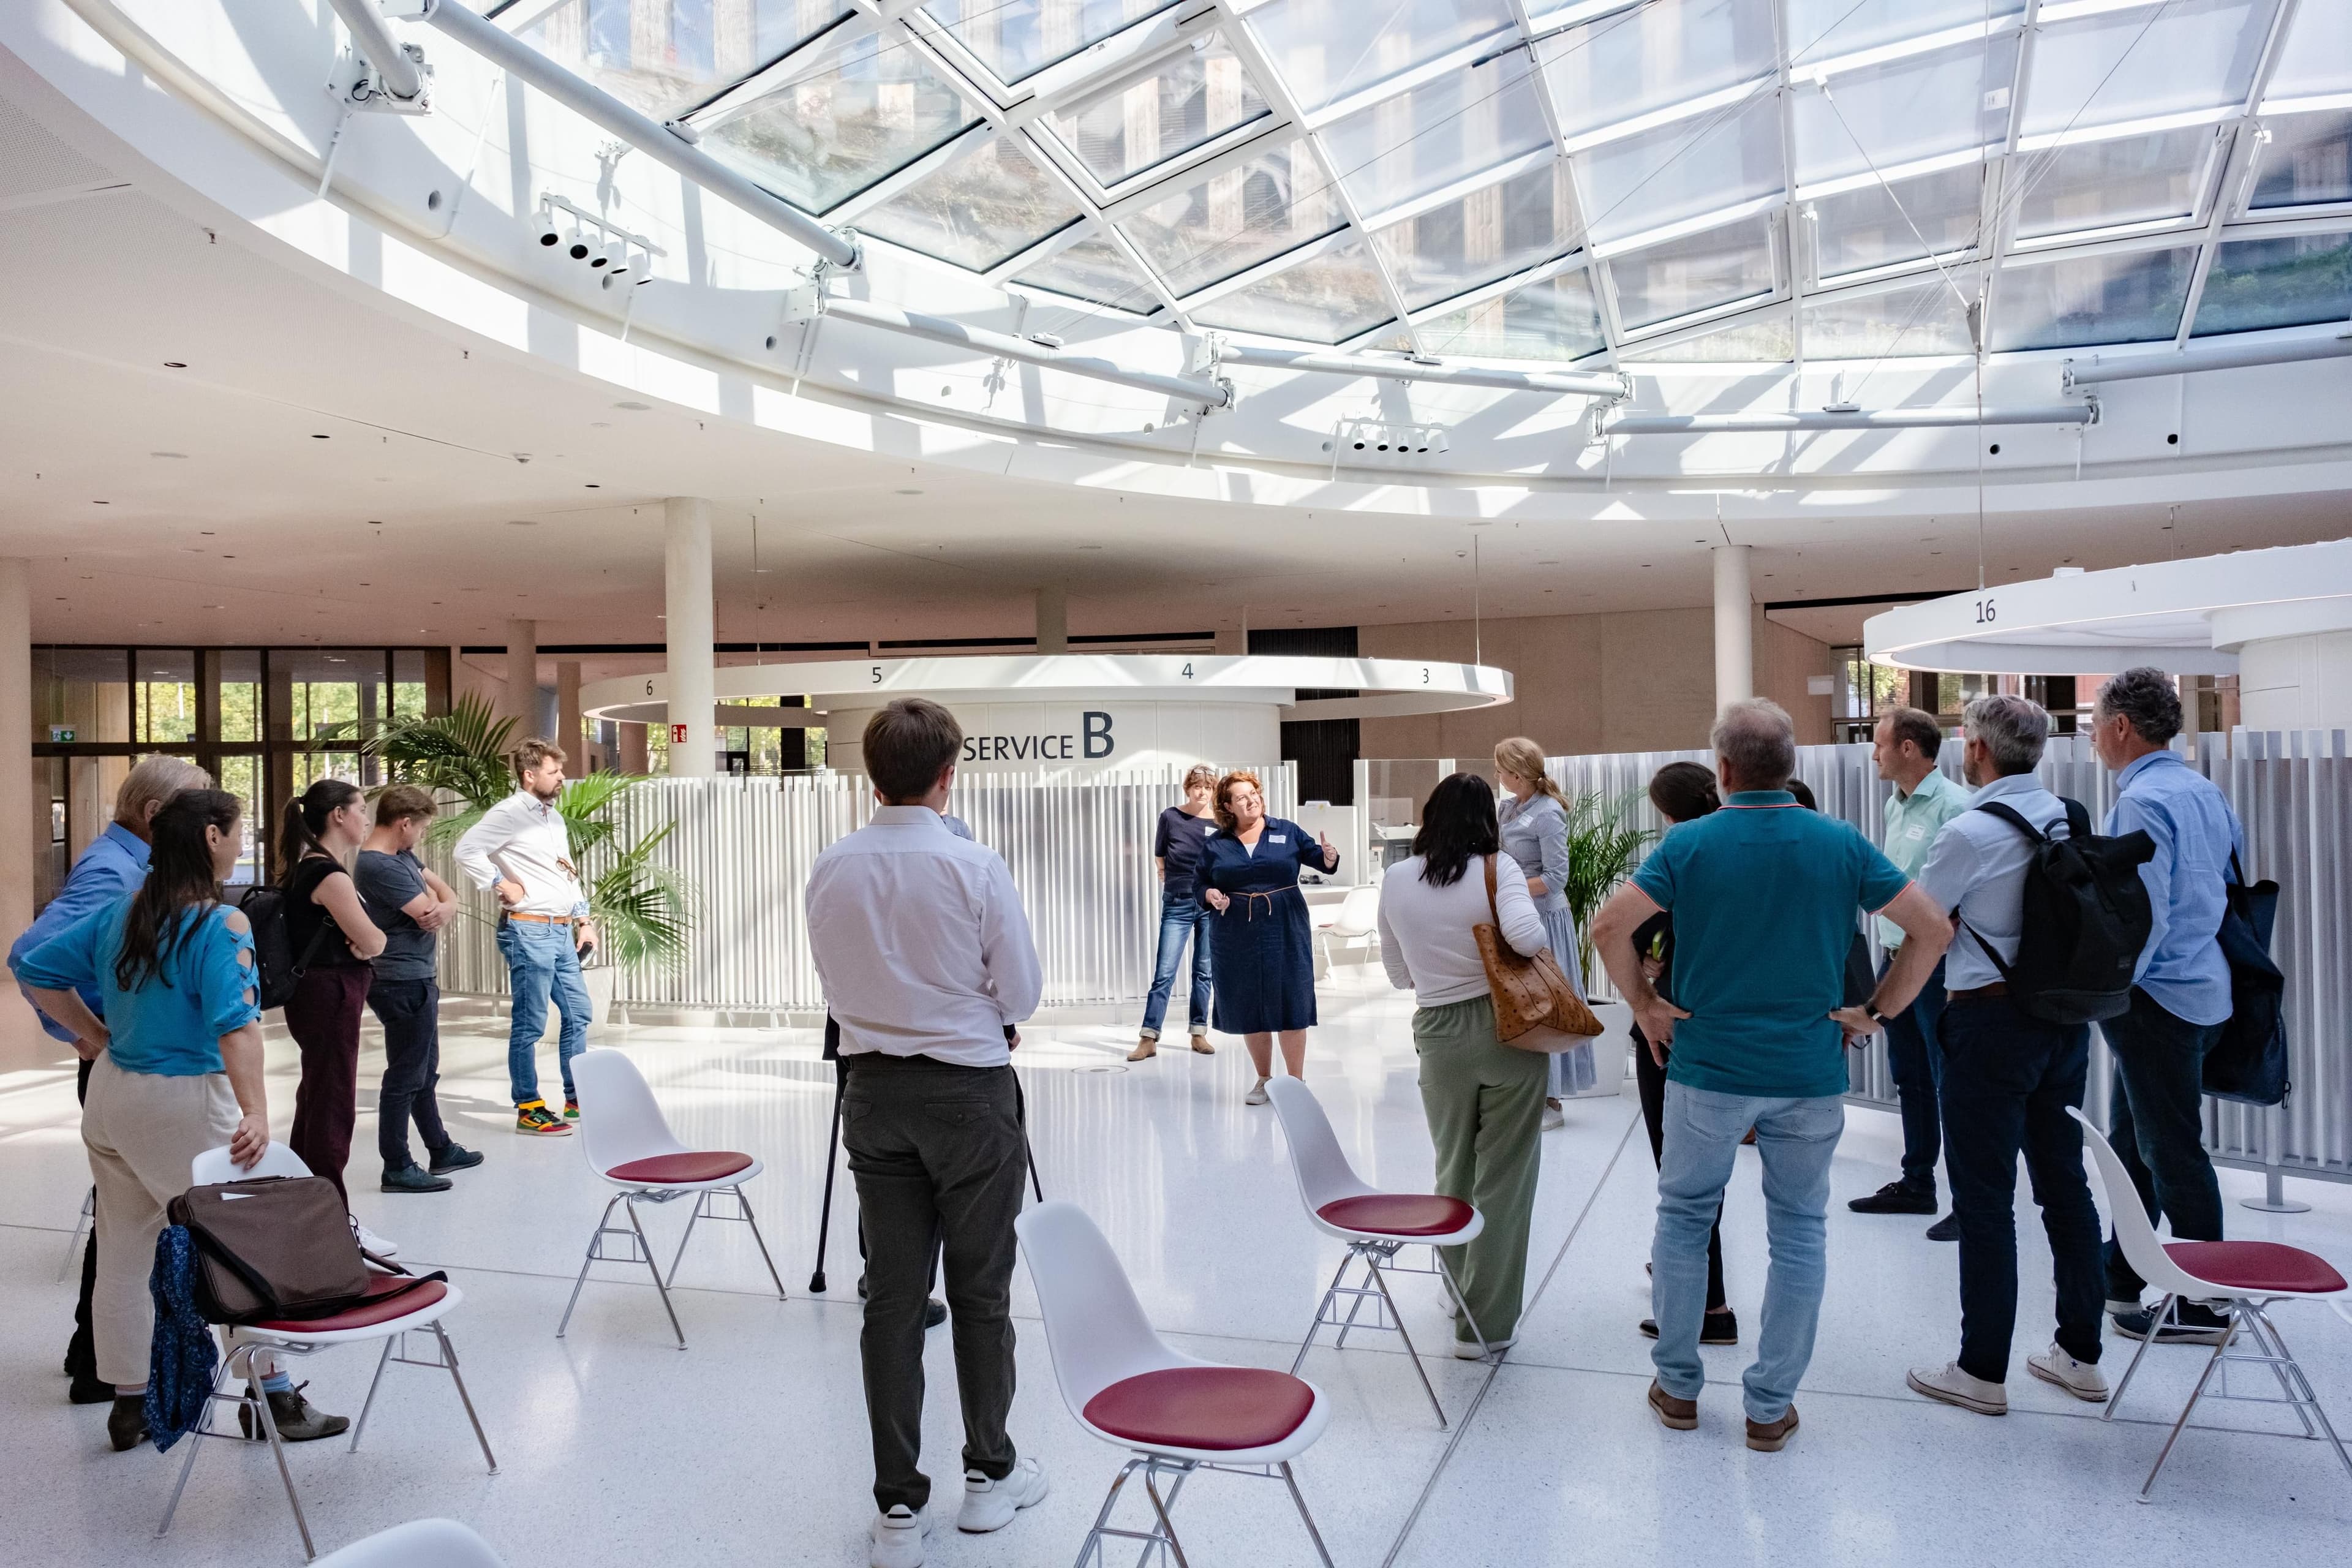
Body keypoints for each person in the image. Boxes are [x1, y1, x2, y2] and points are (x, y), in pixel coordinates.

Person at [1592, 699, 1950, 1454]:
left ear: (1723, 769)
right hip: (1808, 1073)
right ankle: (1769, 1405)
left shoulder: (1690, 845)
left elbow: (1608, 926)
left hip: (1707, 1070)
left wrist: (1648, 1005)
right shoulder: (1840, 844)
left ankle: (1679, 1388)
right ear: (1791, 767)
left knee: (1686, 1218)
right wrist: (1876, 1012)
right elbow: (1931, 929)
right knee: (1798, 1230)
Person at [20, 790, 348, 1452]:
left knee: (123, 1251)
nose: (240, 844)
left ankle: (129, 1403)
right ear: (209, 837)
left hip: (114, 1100)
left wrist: (94, 1036)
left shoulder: (125, 913)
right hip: (184, 1101)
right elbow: (238, 1029)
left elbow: (33, 965)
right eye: (235, 832)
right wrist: (255, 1109)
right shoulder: (219, 925)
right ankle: (274, 1397)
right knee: (244, 1247)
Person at [805, 698, 1048, 1568]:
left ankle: (897, 1511)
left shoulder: (830, 867)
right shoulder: (976, 866)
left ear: (872, 775)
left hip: (873, 1092)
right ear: (951, 774)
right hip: (970, 1096)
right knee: (982, 1292)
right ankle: (988, 1478)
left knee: (893, 1300)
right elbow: (1019, 995)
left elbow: (836, 982)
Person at [1904, 694, 2108, 1415]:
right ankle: (2081, 1356)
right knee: (2064, 1185)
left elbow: (1924, 928)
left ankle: (1981, 1370)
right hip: (2061, 1022)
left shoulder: (1967, 831)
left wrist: (1879, 1007)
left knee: (1986, 1199)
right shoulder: (2069, 817)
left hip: (1988, 1024)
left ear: (1976, 749)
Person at [9, 755, 211, 1408]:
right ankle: (106, 1365)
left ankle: (101, 1363)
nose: (213, 828)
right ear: (158, 815)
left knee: (124, 1226)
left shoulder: (133, 866)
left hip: (133, 1065)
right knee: (153, 1225)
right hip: (130, 1069)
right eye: (203, 811)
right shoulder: (112, 871)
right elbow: (29, 956)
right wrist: (90, 1034)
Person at [2092, 668, 2247, 1346]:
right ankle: (2120, 1279)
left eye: (2095, 723)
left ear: (2122, 726)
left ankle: (2206, 1304)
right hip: (2205, 987)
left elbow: (2141, 916)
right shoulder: (2202, 790)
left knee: (2172, 1149)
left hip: (2158, 998)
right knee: (2135, 1145)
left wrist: (2115, 986)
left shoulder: (2141, 803)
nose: (2093, 736)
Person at [1375, 773, 1549, 1358]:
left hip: (1439, 1032)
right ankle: (1485, 1326)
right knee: (1506, 1176)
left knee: (1453, 1163)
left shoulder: (1397, 878)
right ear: (1487, 821)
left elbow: (1398, 974)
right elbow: (1527, 940)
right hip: (1509, 1031)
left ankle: (1452, 1285)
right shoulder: (1497, 870)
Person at [1848, 707, 1970, 1238]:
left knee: (1950, 1082)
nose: (1873, 753)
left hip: (1937, 967)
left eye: (1879, 744)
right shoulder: (1896, 805)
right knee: (1911, 1078)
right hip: (1894, 956)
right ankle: (1918, 1183)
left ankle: (1971, 1203)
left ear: (1908, 749)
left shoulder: (1956, 806)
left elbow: (1961, 896)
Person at [1627, 761, 1737, 1347]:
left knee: (1683, 1175)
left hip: (1671, 1026)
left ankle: (1708, 1306)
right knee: (1702, 1173)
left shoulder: (1679, 852)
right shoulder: (1738, 848)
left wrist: (1644, 987)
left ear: (1667, 812)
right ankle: (1684, 1274)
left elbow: (1628, 930)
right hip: (1731, 1025)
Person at [454, 738, 597, 1137]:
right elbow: (466, 850)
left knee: (578, 1014)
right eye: (555, 772)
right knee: (531, 1022)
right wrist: (500, 882)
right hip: (529, 929)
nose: (562, 777)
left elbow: (567, 874)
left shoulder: (554, 819)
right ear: (530, 775)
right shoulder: (510, 813)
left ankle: (576, 1098)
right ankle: (528, 1107)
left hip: (560, 930)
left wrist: (584, 919)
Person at [354, 785, 481, 1195]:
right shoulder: (378, 866)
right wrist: (441, 904)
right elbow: (428, 909)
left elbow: (442, 893)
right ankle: (397, 1164)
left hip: (417, 976)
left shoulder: (401, 854)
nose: (423, 836)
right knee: (406, 1074)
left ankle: (440, 1147)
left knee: (424, 1071)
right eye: (422, 828)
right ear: (404, 823)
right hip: (400, 980)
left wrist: (448, 902)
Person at [278, 778, 388, 1231]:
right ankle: (328, 1215)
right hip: (330, 994)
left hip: (321, 994)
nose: (366, 819)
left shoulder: (309, 866)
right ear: (338, 815)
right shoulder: (328, 874)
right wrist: (367, 944)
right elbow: (375, 940)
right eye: (361, 808)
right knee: (333, 1101)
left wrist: (363, 944)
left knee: (317, 1093)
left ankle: (305, 1200)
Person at [1194, 770, 1338, 1106]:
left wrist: (1329, 856)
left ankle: (1297, 1082)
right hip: (1235, 931)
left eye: (1254, 793)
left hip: (1285, 925)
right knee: (1249, 1003)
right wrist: (1211, 894)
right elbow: (1198, 884)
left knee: (1291, 999)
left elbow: (1320, 859)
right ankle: (1264, 1079)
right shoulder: (1216, 843)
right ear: (1227, 806)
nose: (1252, 800)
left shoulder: (1285, 831)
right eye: (1242, 797)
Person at [1493, 737, 1592, 1128]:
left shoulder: (1549, 813)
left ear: (1516, 775)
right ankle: (1530, 1093)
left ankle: (1551, 1100)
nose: (1496, 775)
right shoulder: (1507, 808)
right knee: (1523, 1005)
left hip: (1544, 920)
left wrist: (1508, 884)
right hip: (1514, 915)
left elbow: (1555, 878)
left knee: (1546, 1005)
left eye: (1501, 770)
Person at [1129, 764, 1219, 1062]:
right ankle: (1149, 1037)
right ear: (1187, 788)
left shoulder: (1220, 820)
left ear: (1213, 789)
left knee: (1204, 972)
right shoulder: (1171, 816)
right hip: (1178, 902)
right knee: (1164, 973)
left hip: (1209, 904)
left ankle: (1198, 1032)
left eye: (1207, 787)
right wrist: (1163, 871)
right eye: (1197, 786)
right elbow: (1160, 852)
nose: (1202, 791)